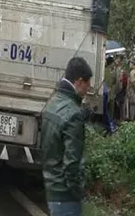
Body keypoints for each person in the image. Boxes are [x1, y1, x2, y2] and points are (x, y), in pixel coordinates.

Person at [41, 57, 93, 216]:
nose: (88, 89)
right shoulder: (73, 114)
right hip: (66, 196)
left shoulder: (52, 103)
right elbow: (72, 164)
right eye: (87, 84)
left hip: (51, 187)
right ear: (78, 82)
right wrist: (77, 191)